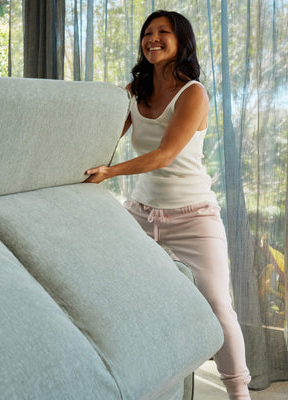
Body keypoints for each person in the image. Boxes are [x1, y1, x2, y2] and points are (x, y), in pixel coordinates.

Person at [85, 10, 251, 400]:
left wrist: (109, 173)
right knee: (122, 294)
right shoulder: (135, 90)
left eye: (163, 32)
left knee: (216, 303)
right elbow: (104, 134)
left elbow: (165, 154)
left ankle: (239, 392)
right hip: (140, 214)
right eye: (147, 32)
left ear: (181, 42)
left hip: (194, 217)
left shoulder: (193, 92)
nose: (152, 38)